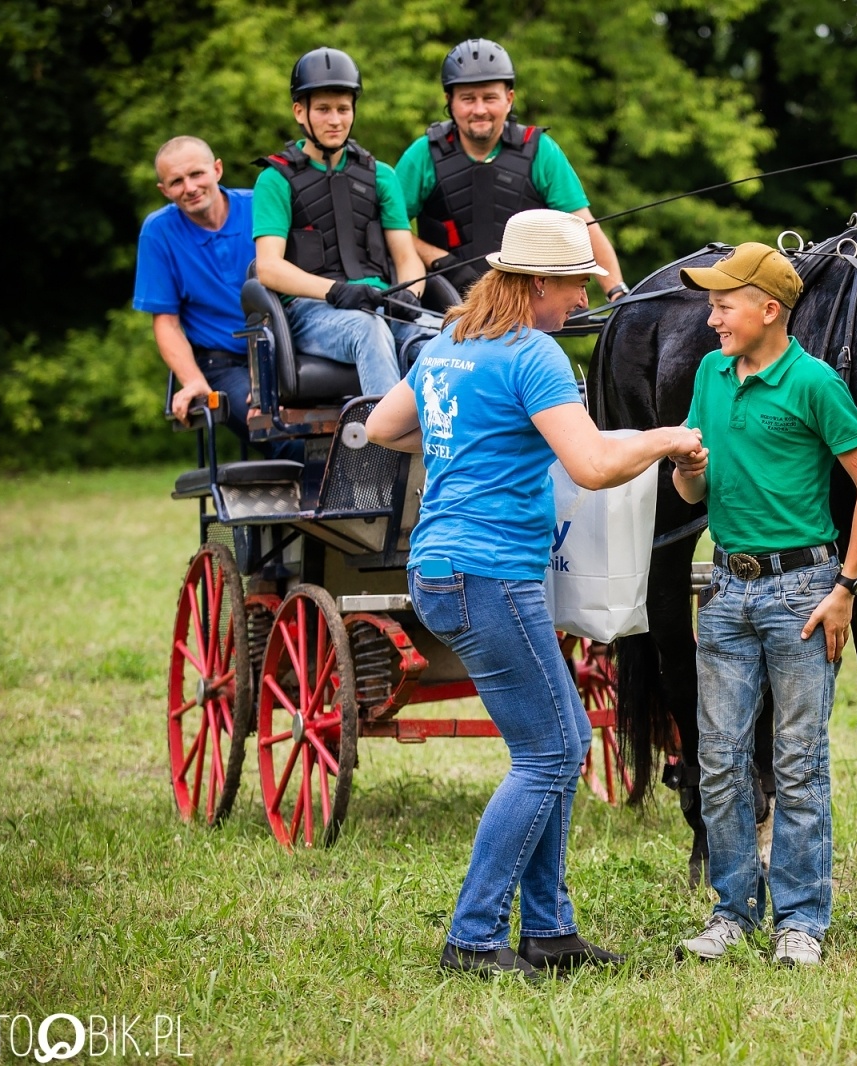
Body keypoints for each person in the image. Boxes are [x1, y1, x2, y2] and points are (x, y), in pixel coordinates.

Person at [365, 209, 705, 979]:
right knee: (556, 749)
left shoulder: (451, 343)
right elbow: (589, 465)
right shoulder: (535, 353)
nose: (583, 301)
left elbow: (386, 425)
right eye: (576, 286)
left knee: (548, 745)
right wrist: (668, 437)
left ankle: (550, 932)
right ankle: (472, 937)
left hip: (441, 566)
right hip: (489, 572)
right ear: (538, 283)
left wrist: (473, 439)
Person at [670, 243, 857, 968]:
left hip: (802, 591)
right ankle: (731, 910)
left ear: (769, 311)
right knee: (720, 759)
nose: (711, 320)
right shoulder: (710, 374)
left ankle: (801, 920)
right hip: (725, 587)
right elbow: (692, 496)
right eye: (710, 306)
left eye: (723, 306)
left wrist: (846, 589)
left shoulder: (814, 384)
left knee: (798, 760)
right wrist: (688, 470)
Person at [253, 48, 430, 397]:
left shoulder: (382, 175)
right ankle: (387, 447)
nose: (335, 119)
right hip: (311, 312)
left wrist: (408, 295)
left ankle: (447, 447)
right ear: (299, 112)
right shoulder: (275, 180)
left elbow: (407, 257)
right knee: (367, 329)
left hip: (380, 303)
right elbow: (268, 268)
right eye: (323, 109)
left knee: (442, 338)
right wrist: (334, 290)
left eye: (343, 109)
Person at [393, 37, 626, 300]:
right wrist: (438, 260)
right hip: (443, 309)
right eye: (468, 99)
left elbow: (583, 227)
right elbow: (388, 228)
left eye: (489, 98)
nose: (479, 109)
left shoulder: (541, 152)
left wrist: (618, 294)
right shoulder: (422, 154)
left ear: (509, 99)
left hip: (527, 309)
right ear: (450, 100)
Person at [135, 136, 289, 453]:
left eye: (196, 174)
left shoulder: (259, 206)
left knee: (342, 417)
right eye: (176, 182)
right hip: (222, 363)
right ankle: (321, 496)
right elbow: (166, 322)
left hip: (284, 349)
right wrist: (192, 380)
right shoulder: (158, 231)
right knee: (274, 429)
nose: (189, 187)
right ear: (164, 191)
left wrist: (267, 369)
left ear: (217, 169)